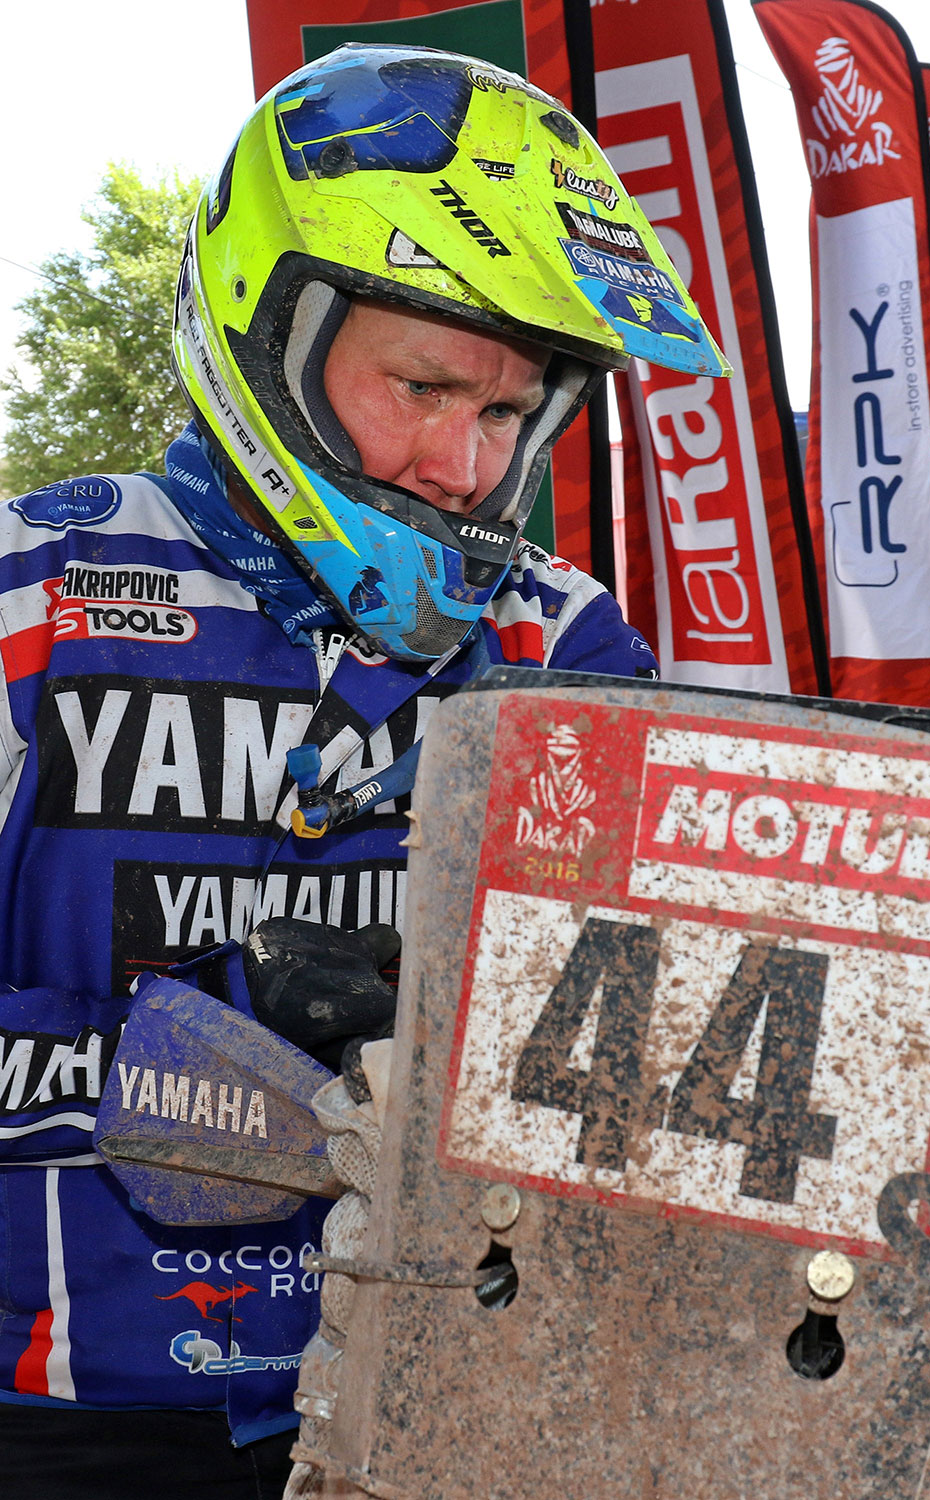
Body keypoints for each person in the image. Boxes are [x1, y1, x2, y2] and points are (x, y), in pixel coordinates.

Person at [0, 41, 728, 1500]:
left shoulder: (563, 643)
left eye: (510, 414)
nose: (466, 467)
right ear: (272, 330)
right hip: (75, 1418)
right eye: (423, 386)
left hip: (449, 1403)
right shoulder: (34, 597)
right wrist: (220, 1030)